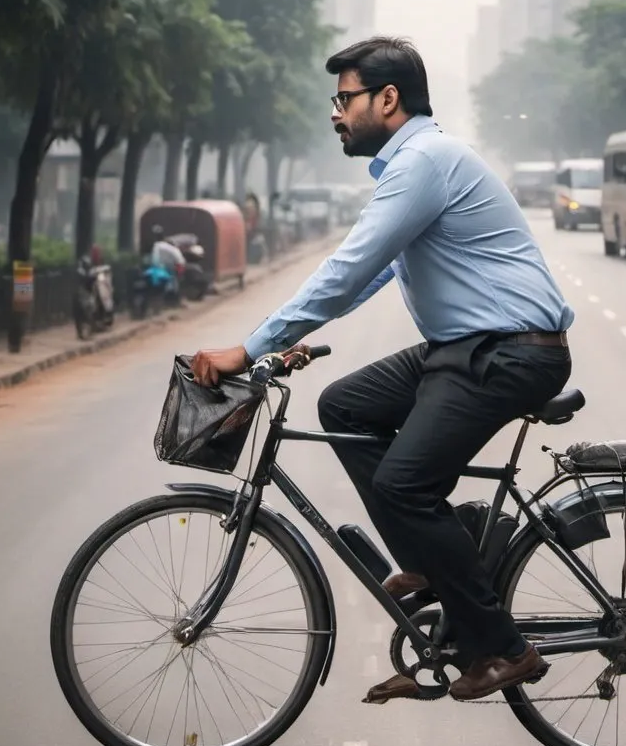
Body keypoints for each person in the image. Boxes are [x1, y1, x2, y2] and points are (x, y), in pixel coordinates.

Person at [191, 36, 574, 702]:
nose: (335, 114)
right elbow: (374, 272)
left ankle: (502, 649)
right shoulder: (418, 164)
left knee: (402, 485)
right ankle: (435, 562)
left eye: (345, 99)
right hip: (468, 346)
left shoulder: (424, 161)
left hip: (510, 351)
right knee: (344, 407)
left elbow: (346, 272)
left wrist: (248, 349)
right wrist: (293, 343)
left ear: (388, 99)